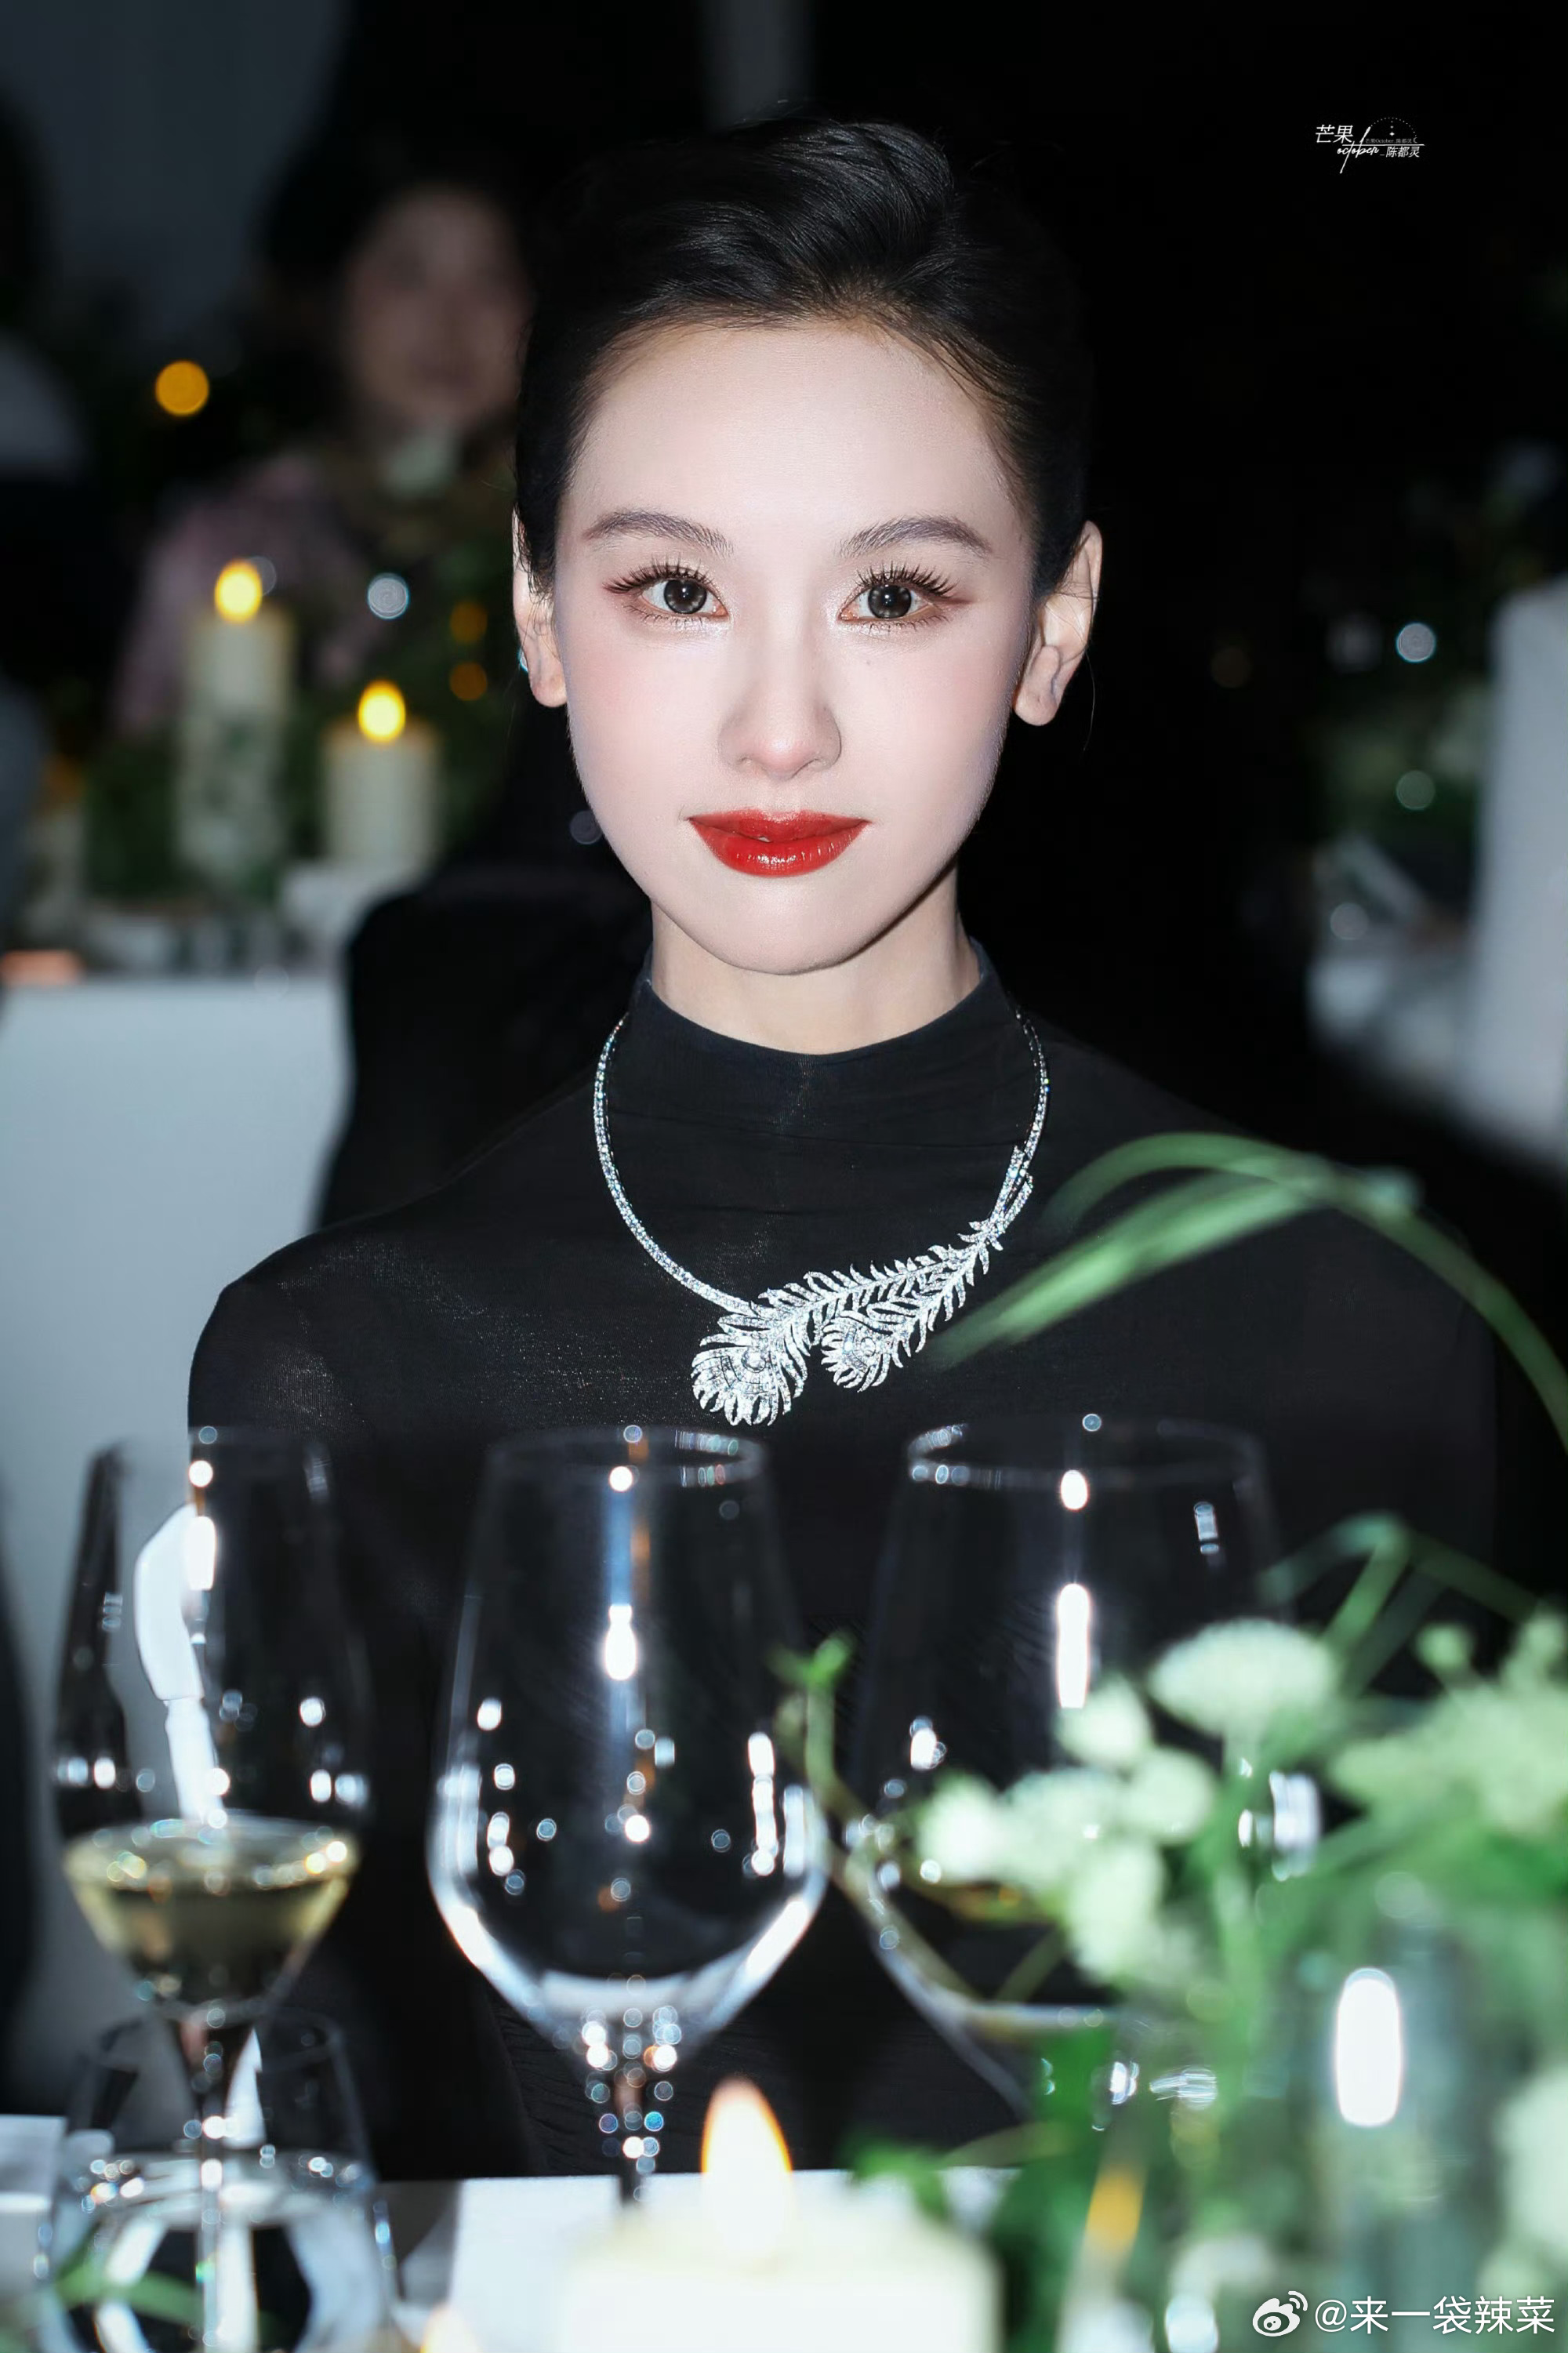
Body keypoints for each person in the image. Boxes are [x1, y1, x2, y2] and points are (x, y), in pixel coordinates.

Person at [190, 117, 1494, 2181]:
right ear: (540, 616)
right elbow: (335, 2198)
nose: (777, 727)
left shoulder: (1348, 1323)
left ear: (1051, 626)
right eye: (675, 589)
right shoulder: (339, 1374)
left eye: (893, 593)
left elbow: (1429, 2159)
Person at [111, 139, 534, 737]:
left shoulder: (563, 538)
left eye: (489, 281)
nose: (450, 320)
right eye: (408, 275)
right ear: (333, 300)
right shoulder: (231, 542)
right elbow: (142, 763)